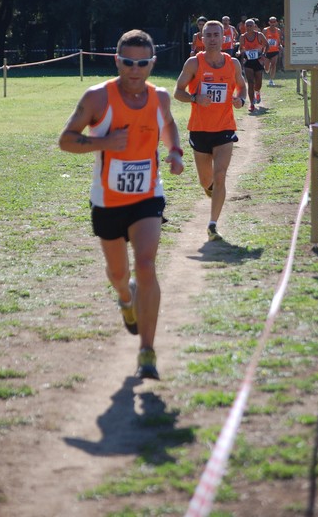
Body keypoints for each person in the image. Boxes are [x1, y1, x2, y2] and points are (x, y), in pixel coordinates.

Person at [58, 29, 184, 381]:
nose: (134, 69)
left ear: (151, 64)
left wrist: (174, 151)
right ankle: (125, 300)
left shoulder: (159, 98)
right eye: (127, 62)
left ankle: (147, 350)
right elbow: (65, 141)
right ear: (117, 61)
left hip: (147, 195)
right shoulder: (98, 98)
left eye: (142, 63)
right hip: (107, 200)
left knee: (146, 265)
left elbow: (169, 125)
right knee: (119, 275)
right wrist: (105, 143)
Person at [174, 20, 246, 242]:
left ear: (224, 38)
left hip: (224, 127)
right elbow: (177, 92)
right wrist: (195, 98)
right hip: (200, 129)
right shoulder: (193, 63)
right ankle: (211, 189)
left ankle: (213, 225)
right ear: (202, 38)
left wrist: (241, 100)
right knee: (206, 181)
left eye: (217, 35)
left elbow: (241, 86)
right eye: (209, 35)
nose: (213, 39)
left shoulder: (232, 63)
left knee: (220, 174)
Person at [238, 18, 269, 112]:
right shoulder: (243, 37)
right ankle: (251, 103)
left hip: (258, 60)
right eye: (247, 25)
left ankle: (257, 92)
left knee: (258, 83)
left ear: (254, 26)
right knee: (250, 83)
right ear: (245, 26)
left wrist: (263, 55)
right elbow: (241, 48)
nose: (249, 27)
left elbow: (267, 45)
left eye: (251, 25)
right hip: (248, 61)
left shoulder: (259, 35)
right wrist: (239, 53)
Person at [263, 16, 283, 86]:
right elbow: (262, 40)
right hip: (266, 51)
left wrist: (280, 45)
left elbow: (279, 40)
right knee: (266, 68)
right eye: (271, 22)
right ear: (269, 22)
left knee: (274, 65)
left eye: (274, 22)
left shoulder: (278, 31)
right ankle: (267, 70)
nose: (272, 23)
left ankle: (271, 80)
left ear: (276, 22)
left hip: (275, 50)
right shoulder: (265, 30)